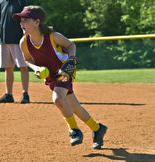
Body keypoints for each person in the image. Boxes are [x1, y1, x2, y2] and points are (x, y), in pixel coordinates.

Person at [13, 5, 108, 149]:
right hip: (50, 76)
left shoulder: (52, 36)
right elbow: (27, 59)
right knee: (74, 106)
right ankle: (97, 129)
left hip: (64, 71)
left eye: (25, 20)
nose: (21, 23)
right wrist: (36, 68)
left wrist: (71, 60)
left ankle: (74, 130)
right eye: (21, 20)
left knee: (58, 99)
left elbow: (71, 46)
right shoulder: (24, 42)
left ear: (37, 22)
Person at [0, 0, 30, 104]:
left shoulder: (21, 2)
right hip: (3, 41)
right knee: (8, 68)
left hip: (18, 40)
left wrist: (26, 35)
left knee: (23, 67)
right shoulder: (0, 2)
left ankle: (25, 94)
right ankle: (9, 95)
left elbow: (26, 19)